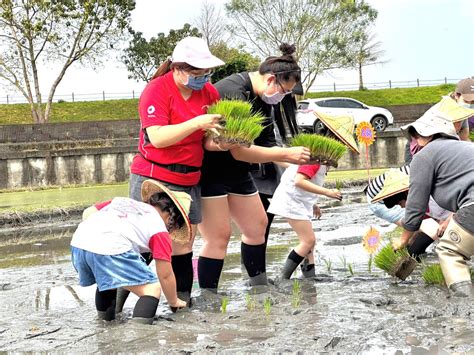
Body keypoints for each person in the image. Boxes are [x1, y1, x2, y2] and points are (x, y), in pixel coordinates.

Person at [120, 36, 226, 310]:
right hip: (154, 177)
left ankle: (182, 305)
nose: (202, 79)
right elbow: (157, 137)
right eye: (195, 73)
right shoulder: (157, 90)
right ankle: (116, 307)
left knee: (182, 245)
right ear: (177, 68)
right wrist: (196, 121)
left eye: (206, 73)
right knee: (144, 244)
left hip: (189, 178)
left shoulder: (210, 94)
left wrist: (222, 142)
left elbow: (205, 141)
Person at [197, 43, 311, 291]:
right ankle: (208, 294)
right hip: (211, 170)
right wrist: (286, 153)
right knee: (219, 235)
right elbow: (238, 150)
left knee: (257, 224)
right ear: (271, 79)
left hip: (238, 170)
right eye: (284, 90)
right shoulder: (232, 91)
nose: (283, 97)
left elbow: (268, 143)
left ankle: (258, 284)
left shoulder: (264, 99)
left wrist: (300, 162)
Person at [70, 180, 190, 324]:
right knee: (152, 288)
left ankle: (104, 324)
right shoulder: (159, 229)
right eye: (174, 227)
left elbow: (88, 212)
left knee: (108, 281)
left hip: (79, 243)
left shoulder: (123, 202)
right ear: (171, 217)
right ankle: (138, 334)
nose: (171, 231)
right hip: (111, 246)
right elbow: (165, 275)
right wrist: (173, 300)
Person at [391, 105, 474, 297]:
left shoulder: (424, 156)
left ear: (428, 135)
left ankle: (466, 309)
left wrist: (403, 239)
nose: (415, 142)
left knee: (449, 251)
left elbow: (415, 204)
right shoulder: (467, 147)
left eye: (416, 136)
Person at [268, 113, 360, 279]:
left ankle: (310, 277)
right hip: (291, 200)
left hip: (298, 201)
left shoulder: (321, 158)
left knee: (309, 242)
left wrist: (313, 205)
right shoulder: (315, 158)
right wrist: (328, 192)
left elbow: (306, 184)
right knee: (308, 241)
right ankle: (282, 278)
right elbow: (299, 181)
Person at [404, 78, 474, 164]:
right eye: (466, 101)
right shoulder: (445, 110)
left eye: (473, 102)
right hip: (418, 149)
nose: (470, 105)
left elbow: (464, 139)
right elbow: (435, 144)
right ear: (457, 95)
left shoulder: (462, 112)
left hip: (437, 151)